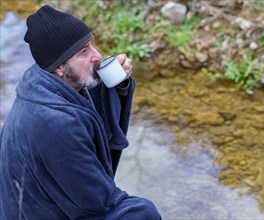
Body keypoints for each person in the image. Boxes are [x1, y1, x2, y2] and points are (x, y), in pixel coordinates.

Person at [0, 5, 161, 220]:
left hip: (30, 202)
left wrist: (117, 84)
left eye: (92, 45)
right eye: (84, 52)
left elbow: (86, 93)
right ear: (59, 67)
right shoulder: (53, 123)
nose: (98, 56)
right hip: (33, 213)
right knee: (143, 213)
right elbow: (98, 203)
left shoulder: (40, 81)